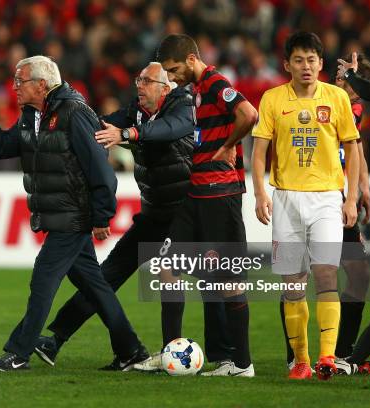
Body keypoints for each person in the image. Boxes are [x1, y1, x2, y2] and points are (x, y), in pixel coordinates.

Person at [0, 55, 149, 372]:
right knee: (96, 286)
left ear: (42, 84)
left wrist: (101, 216)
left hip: (73, 216)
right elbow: (2, 147)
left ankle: (19, 352)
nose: (14, 87)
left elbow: (100, 169)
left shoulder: (74, 112)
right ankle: (131, 350)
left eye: (20, 81)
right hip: (58, 215)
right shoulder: (31, 116)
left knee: (43, 280)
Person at [32, 62, 195, 371]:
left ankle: (175, 353)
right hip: (152, 213)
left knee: (172, 276)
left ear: (165, 87)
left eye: (147, 81)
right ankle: (56, 339)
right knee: (105, 277)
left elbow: (170, 130)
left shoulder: (183, 105)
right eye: (139, 79)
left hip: (183, 213)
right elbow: (97, 126)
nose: (139, 85)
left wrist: (128, 134)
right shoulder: (135, 111)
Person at [251, 32, 360, 380]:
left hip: (327, 197)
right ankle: (301, 361)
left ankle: (327, 357)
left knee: (326, 272)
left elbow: (353, 148)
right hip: (284, 198)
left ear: (321, 64)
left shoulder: (337, 98)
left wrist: (352, 197)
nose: (306, 66)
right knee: (292, 282)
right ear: (287, 65)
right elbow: (258, 151)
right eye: (299, 60)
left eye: (312, 59)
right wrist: (259, 193)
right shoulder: (272, 99)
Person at [156, 34, 259, 377]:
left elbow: (248, 113)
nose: (171, 77)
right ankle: (169, 352)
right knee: (168, 267)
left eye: (173, 70)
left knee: (228, 281)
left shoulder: (215, 82)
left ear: (190, 60)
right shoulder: (198, 90)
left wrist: (229, 145)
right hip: (197, 194)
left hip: (220, 195)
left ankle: (242, 364)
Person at [280, 53, 370, 367]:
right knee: (297, 276)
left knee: (358, 275)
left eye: (349, 81)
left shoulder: (350, 108)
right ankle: (297, 356)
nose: (341, 86)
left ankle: (342, 351)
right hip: (303, 196)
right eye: (339, 79)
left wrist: (361, 186)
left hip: (336, 203)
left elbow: (355, 144)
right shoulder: (314, 103)